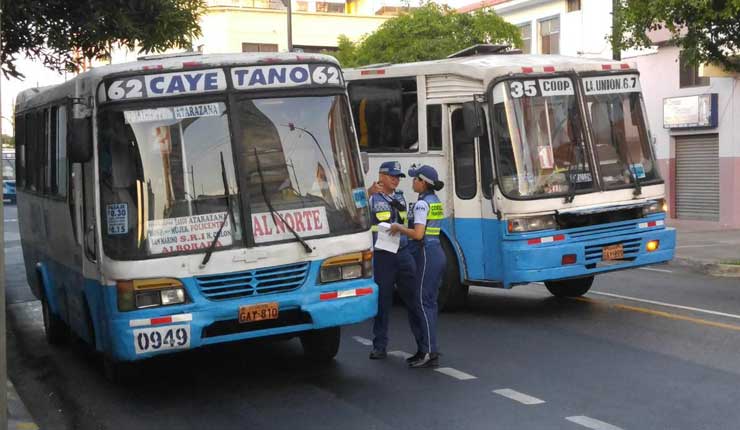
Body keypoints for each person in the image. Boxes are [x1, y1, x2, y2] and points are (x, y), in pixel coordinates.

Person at [390, 165, 445, 368]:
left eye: (415, 179)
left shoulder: (422, 204)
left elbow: (419, 234)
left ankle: (429, 352)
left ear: (423, 182)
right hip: (436, 251)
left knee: (423, 302)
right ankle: (426, 349)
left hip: (426, 253)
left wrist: (399, 228)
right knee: (428, 301)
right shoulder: (435, 201)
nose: (412, 182)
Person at [367, 161, 417, 360]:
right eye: (392, 176)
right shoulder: (371, 197)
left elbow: (407, 223)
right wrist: (368, 193)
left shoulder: (401, 197)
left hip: (403, 253)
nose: (396, 180)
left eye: (398, 177)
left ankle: (425, 346)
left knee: (414, 299)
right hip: (383, 256)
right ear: (382, 176)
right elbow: (353, 209)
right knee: (383, 302)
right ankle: (379, 346)